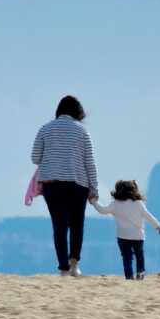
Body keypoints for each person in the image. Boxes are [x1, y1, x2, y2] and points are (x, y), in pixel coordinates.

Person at [31, 96, 99, 276]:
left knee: (59, 226)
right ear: (77, 113)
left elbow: (35, 158)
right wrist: (95, 189)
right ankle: (74, 265)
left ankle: (63, 269)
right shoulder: (82, 132)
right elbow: (89, 163)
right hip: (78, 185)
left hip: (52, 185)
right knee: (77, 224)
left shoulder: (45, 129)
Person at [91, 179, 160, 280]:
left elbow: (102, 210)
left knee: (127, 258)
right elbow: (148, 216)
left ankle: (129, 276)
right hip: (138, 236)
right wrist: (157, 225)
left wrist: (94, 202)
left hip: (123, 236)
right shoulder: (138, 203)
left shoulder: (115, 204)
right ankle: (140, 273)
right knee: (139, 256)